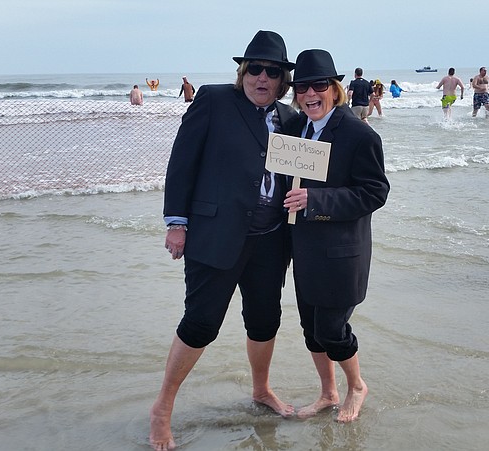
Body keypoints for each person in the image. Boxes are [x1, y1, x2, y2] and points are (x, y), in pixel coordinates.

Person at [149, 30, 298, 451]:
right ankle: (162, 407)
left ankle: (261, 390)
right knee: (200, 324)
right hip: (216, 234)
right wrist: (176, 223)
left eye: (272, 71)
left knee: (265, 320)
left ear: (283, 79)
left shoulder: (289, 119)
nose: (262, 77)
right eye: (255, 68)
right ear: (243, 71)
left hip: (271, 239)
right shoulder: (213, 100)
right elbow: (182, 162)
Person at [282, 48, 389, 423]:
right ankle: (328, 393)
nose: (310, 94)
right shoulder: (293, 129)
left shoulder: (360, 135)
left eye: (318, 86)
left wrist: (315, 199)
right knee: (310, 328)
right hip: (304, 248)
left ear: (335, 88)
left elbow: (376, 192)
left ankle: (356, 386)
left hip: (343, 253)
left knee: (332, 329)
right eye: (301, 88)